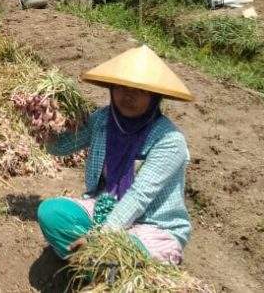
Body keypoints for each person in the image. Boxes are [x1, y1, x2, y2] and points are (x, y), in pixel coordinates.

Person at [36, 45, 195, 265]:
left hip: (152, 224)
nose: (129, 96)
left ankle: (97, 268)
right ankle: (97, 269)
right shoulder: (103, 120)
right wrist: (41, 125)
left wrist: (100, 238)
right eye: (121, 87)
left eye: (141, 90)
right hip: (105, 206)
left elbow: (139, 196)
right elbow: (62, 147)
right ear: (111, 88)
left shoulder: (169, 140)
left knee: (119, 253)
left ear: (155, 97)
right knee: (51, 213)